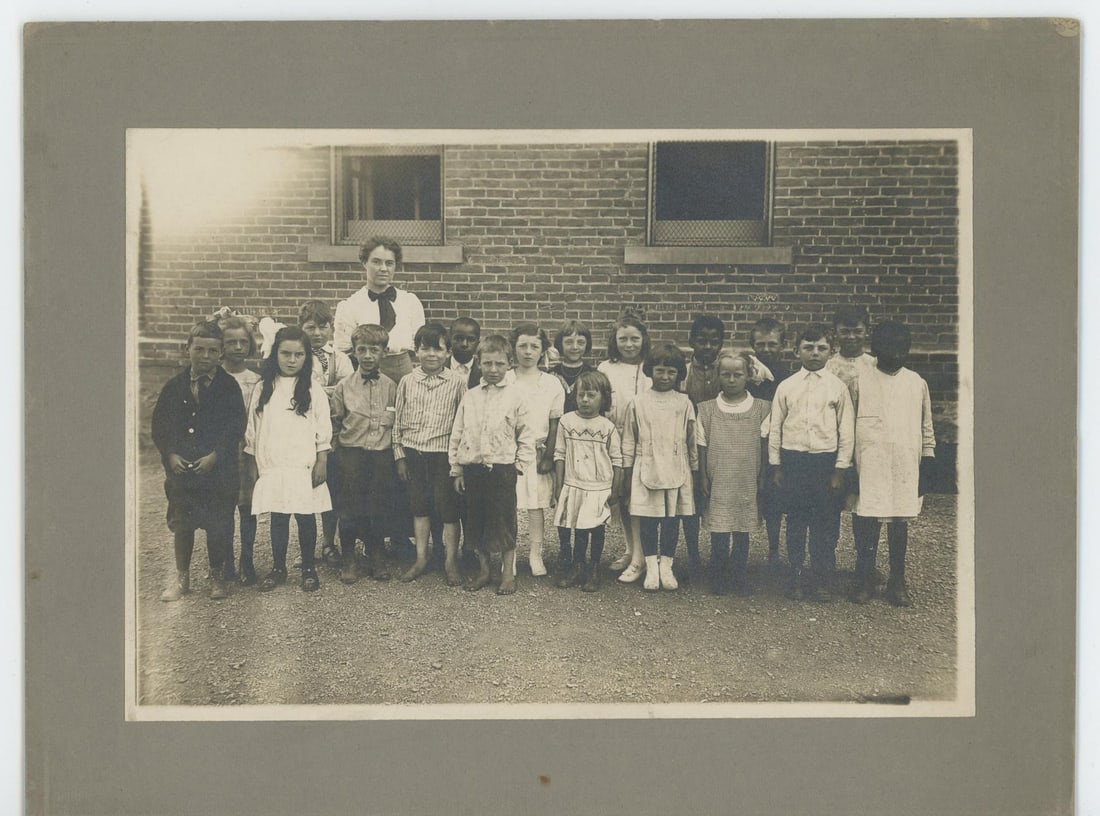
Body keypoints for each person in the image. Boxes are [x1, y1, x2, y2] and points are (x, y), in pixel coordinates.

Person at [151, 320, 246, 601]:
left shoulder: (228, 387)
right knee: (183, 522)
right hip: (183, 472)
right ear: (187, 349)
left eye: (212, 351)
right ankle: (182, 578)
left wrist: (216, 455)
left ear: (221, 355)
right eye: (199, 349)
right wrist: (171, 454)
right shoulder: (174, 387)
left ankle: (217, 576)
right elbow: (160, 426)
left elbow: (235, 426)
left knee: (218, 523)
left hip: (217, 471)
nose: (205, 356)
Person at [849, 320, 936, 607]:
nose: (895, 355)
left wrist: (928, 459)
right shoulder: (859, 380)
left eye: (902, 349)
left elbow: (926, 426)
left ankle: (897, 579)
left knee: (899, 520)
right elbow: (847, 424)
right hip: (869, 460)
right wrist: (848, 462)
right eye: (888, 349)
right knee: (868, 518)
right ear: (874, 349)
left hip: (904, 463)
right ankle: (865, 577)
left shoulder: (916, 382)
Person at [768, 324, 854, 602]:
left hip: (825, 464)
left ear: (832, 351)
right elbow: (776, 428)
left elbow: (847, 430)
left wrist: (840, 468)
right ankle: (795, 575)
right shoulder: (787, 387)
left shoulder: (837, 388)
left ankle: (822, 579)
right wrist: (776, 465)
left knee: (826, 524)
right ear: (797, 351)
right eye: (808, 347)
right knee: (796, 522)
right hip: (794, 462)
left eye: (821, 348)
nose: (815, 354)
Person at [245, 326, 332, 593]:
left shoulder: (313, 389)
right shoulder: (263, 388)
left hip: (302, 465)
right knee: (279, 516)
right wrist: (253, 464)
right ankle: (278, 567)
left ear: (307, 358)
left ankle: (308, 567)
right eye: (286, 354)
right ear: (275, 354)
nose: (292, 360)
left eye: (298, 355)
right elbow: (253, 428)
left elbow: (323, 427)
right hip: (275, 465)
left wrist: (322, 460)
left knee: (306, 517)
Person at [449, 335, 536, 595]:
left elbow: (527, 434)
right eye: (487, 364)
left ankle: (508, 573)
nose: (493, 370)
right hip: (474, 469)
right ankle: (485, 570)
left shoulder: (516, 396)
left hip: (502, 470)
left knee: (504, 521)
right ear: (479, 364)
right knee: (476, 521)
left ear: (510, 364)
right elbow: (458, 431)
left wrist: (519, 466)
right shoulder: (471, 396)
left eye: (499, 364)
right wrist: (457, 468)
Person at [393, 322, 468, 584]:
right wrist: (399, 455)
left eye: (438, 349)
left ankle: (450, 560)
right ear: (416, 351)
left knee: (448, 510)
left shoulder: (458, 383)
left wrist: (457, 462)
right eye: (425, 349)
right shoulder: (407, 381)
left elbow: (463, 424)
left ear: (448, 353)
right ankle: (421, 557)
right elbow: (397, 421)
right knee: (420, 508)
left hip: (443, 456)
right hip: (414, 454)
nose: (432, 355)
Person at [621, 341, 699, 591]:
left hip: (677, 468)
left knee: (670, 520)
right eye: (660, 370)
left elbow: (691, 440)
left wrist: (694, 471)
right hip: (647, 467)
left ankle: (666, 567)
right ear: (650, 370)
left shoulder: (684, 403)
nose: (665, 376)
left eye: (671, 372)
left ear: (679, 374)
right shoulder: (638, 402)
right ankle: (650, 568)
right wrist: (626, 472)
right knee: (647, 520)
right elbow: (629, 440)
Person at [328, 323, 398, 585]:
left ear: (384, 352)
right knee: (348, 508)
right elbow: (335, 424)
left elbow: (396, 420)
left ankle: (377, 554)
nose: (368, 356)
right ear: (354, 353)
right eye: (362, 350)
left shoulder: (392, 386)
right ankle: (348, 556)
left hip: (381, 456)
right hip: (351, 456)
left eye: (374, 350)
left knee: (378, 506)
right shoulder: (344, 387)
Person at [697, 352, 771, 595]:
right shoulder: (707, 410)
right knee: (719, 527)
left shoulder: (761, 408)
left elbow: (764, 445)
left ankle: (739, 574)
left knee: (742, 527)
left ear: (748, 376)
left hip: (746, 478)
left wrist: (762, 477)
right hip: (719, 478)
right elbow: (702, 444)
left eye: (737, 375)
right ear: (718, 376)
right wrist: (704, 477)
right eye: (725, 374)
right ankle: (718, 573)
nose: (731, 380)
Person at [552, 370, 623, 591]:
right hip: (574, 483)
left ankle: (594, 568)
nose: (585, 400)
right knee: (578, 527)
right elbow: (560, 454)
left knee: (596, 528)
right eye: (581, 394)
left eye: (591, 395)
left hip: (599, 486)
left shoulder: (607, 427)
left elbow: (617, 460)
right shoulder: (567, 421)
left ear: (603, 398)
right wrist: (559, 483)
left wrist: (614, 490)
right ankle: (578, 566)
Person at [597, 314, 652, 582]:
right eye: (623, 339)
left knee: (636, 498)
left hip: (642, 439)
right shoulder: (606, 368)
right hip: (614, 436)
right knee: (620, 498)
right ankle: (631, 550)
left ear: (644, 339)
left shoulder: (650, 368)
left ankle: (641, 558)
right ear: (614, 341)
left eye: (634, 339)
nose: (629, 345)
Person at [299, 299, 354, 565]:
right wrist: (326, 392)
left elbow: (348, 389)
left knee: (333, 488)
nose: (318, 333)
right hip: (305, 432)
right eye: (311, 327)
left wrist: (323, 392)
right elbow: (303, 392)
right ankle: (306, 548)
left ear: (331, 328)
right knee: (307, 489)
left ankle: (329, 543)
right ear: (302, 329)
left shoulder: (341, 358)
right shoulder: (298, 357)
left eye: (323, 327)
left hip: (336, 432)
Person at [824, 305, 878, 571]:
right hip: (834, 444)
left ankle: (865, 565)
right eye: (845, 331)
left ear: (866, 332)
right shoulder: (828, 366)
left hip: (868, 444)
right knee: (831, 503)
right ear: (835, 333)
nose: (851, 337)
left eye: (857, 331)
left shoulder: (876, 365)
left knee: (864, 506)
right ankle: (826, 561)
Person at [510, 323, 565, 577]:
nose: (528, 352)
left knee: (536, 505)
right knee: (508, 504)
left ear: (543, 350)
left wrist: (551, 454)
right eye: (522, 346)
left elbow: (555, 421)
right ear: (513, 349)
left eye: (534, 346)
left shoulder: (552, 383)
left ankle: (535, 554)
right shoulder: (506, 378)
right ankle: (508, 555)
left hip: (539, 451)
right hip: (509, 452)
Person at [333, 236, 426, 382]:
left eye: (389, 263)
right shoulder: (350, 306)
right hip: (366, 373)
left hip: (403, 372)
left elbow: (419, 344)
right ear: (364, 263)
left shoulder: (410, 302)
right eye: (376, 262)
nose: (383, 269)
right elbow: (343, 351)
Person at [217, 313, 263, 585]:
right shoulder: (216, 377)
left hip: (247, 450)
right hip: (221, 452)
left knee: (247, 507)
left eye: (242, 342)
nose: (237, 347)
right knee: (223, 507)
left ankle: (247, 560)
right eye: (230, 342)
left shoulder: (254, 380)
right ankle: (226, 563)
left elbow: (258, 418)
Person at [679, 313, 726, 581]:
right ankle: (693, 554)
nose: (708, 347)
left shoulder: (729, 369)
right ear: (691, 342)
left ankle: (720, 557)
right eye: (702, 341)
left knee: (719, 498)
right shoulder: (684, 373)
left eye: (714, 342)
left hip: (722, 442)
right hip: (690, 443)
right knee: (693, 500)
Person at [747, 317, 792, 568]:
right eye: (761, 344)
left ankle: (775, 550)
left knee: (776, 498)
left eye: (772, 344)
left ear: (782, 345)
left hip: (778, 443)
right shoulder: (747, 372)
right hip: (751, 441)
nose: (766, 350)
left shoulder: (789, 376)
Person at [549, 320, 595, 415]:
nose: (575, 347)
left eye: (580, 342)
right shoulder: (551, 375)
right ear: (560, 344)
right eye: (569, 342)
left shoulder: (593, 375)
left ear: (587, 344)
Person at [446, 316, 482, 388]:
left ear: (478, 343)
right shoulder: (439, 369)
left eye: (471, 340)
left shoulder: (483, 372)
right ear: (450, 340)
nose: (464, 344)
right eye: (459, 339)